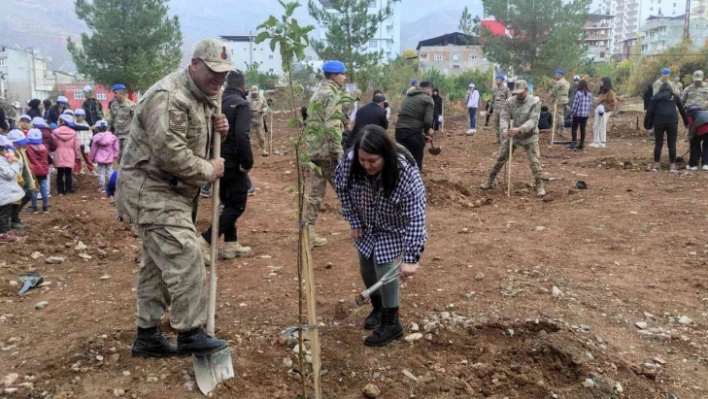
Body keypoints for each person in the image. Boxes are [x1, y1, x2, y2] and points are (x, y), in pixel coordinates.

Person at [116, 38, 233, 358]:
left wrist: (216, 128)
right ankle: (190, 331)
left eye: (224, 74)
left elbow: (193, 137)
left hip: (176, 193)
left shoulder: (206, 96)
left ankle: (147, 336)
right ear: (194, 64)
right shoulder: (168, 98)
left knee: (156, 265)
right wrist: (210, 168)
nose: (220, 80)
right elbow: (171, 155)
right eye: (214, 72)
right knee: (186, 253)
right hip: (152, 190)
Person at [335, 125, 427, 347]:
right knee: (367, 266)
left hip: (394, 225)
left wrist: (411, 258)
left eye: (372, 161)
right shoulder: (351, 162)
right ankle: (378, 307)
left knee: (383, 264)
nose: (366, 165)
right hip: (367, 221)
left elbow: (416, 216)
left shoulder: (405, 172)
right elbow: (341, 189)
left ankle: (391, 322)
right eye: (362, 160)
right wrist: (354, 220)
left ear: (385, 155)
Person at [198, 69, 254, 263]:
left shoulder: (216, 102)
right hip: (233, 163)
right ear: (243, 86)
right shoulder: (242, 105)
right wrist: (247, 163)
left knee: (227, 203)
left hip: (215, 159)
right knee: (237, 205)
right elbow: (242, 135)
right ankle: (204, 241)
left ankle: (231, 243)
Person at [304, 60, 349, 248]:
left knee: (315, 193)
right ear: (334, 76)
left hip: (315, 151)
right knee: (346, 190)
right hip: (328, 153)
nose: (344, 77)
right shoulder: (332, 95)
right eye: (342, 74)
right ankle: (366, 227)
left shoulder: (317, 93)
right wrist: (339, 156)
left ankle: (307, 231)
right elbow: (332, 127)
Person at [479, 80, 545, 197]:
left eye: (521, 92)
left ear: (526, 90)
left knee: (534, 161)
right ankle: (490, 179)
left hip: (529, 136)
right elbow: (504, 117)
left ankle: (539, 184)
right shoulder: (510, 102)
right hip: (512, 135)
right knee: (501, 157)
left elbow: (533, 121)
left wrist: (520, 129)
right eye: (516, 92)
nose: (518, 95)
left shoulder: (534, 102)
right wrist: (504, 130)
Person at [644, 82, 688, 173]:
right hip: (672, 121)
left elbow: (649, 111)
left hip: (659, 121)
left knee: (658, 143)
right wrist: (686, 122)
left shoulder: (656, 97)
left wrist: (647, 125)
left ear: (660, 89)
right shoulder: (672, 96)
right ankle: (672, 167)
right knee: (672, 144)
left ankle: (656, 166)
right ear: (670, 89)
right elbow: (681, 109)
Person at [396, 81, 434, 171]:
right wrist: (427, 131)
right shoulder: (428, 99)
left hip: (399, 131)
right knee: (416, 163)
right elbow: (428, 121)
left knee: (402, 161)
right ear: (429, 89)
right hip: (413, 133)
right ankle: (415, 183)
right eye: (431, 91)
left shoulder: (407, 97)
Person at [7, 130, 36, 230]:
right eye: (19, 143)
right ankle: (13, 220)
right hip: (15, 181)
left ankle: (13, 218)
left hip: (24, 179)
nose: (22, 145)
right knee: (15, 201)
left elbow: (25, 166)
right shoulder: (9, 153)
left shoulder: (21, 150)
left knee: (27, 195)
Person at [0, 135, 26, 243]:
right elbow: (9, 174)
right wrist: (15, 163)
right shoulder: (1, 161)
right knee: (3, 213)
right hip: (3, 193)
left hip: (5, 193)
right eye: (7, 149)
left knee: (6, 212)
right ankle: (2, 233)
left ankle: (6, 230)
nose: (8, 152)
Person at [51, 114, 81, 195]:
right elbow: (77, 147)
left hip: (58, 153)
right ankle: (68, 190)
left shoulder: (55, 132)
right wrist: (77, 156)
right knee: (68, 173)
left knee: (60, 173)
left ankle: (60, 191)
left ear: (61, 122)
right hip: (70, 154)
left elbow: (53, 144)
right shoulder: (73, 133)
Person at [107, 83, 136, 160]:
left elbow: (137, 121)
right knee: (119, 158)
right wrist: (108, 132)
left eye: (115, 93)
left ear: (122, 93)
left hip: (127, 136)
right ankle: (122, 171)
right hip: (116, 136)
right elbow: (111, 120)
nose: (114, 95)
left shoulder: (131, 106)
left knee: (126, 158)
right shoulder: (113, 105)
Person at [90, 120, 119, 193]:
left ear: (97, 129)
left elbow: (93, 149)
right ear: (107, 128)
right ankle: (111, 186)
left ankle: (102, 187)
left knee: (101, 173)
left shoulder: (96, 138)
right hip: (109, 157)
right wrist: (115, 155)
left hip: (100, 159)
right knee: (110, 171)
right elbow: (116, 147)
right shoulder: (112, 137)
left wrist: (92, 158)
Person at [25, 128, 50, 214]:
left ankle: (34, 207)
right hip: (43, 172)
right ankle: (45, 207)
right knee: (44, 189)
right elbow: (49, 160)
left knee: (35, 190)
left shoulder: (28, 149)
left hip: (34, 172)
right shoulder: (44, 148)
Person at [590, 77, 617, 149]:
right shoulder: (602, 91)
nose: (600, 83)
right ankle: (596, 141)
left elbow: (613, 103)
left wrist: (605, 108)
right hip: (599, 109)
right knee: (596, 125)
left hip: (605, 111)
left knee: (602, 126)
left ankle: (602, 142)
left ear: (605, 83)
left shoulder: (610, 92)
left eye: (601, 81)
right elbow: (600, 100)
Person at [567, 79, 592, 150]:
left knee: (574, 128)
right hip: (585, 115)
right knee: (582, 129)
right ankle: (581, 143)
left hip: (577, 114)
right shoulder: (589, 93)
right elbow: (590, 105)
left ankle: (574, 143)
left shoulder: (578, 93)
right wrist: (588, 112)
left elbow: (575, 104)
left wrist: (572, 113)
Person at [248, 85, 269, 157]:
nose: (254, 94)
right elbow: (243, 107)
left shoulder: (262, 98)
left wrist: (262, 110)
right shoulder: (247, 98)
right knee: (247, 135)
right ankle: (247, 151)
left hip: (259, 119)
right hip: (249, 120)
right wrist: (249, 111)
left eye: (255, 93)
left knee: (261, 135)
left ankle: (263, 149)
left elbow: (266, 107)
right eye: (253, 93)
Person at [686, 105, 708, 170]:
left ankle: (693, 165)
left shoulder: (690, 114)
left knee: (694, 145)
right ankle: (706, 164)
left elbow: (691, 127)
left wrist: (690, 138)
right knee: (707, 146)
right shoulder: (705, 112)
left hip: (702, 128)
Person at [549, 69, 570, 134]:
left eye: (556, 75)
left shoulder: (560, 82)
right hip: (566, 99)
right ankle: (559, 128)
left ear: (560, 75)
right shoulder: (567, 82)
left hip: (560, 100)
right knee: (562, 114)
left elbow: (554, 90)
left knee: (559, 114)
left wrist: (550, 94)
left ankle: (561, 128)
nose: (555, 76)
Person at [74, 109, 95, 174]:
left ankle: (91, 169)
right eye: (76, 115)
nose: (77, 117)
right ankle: (77, 170)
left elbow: (90, 133)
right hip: (77, 144)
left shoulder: (86, 124)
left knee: (87, 157)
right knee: (77, 158)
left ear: (83, 116)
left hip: (85, 144)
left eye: (79, 115)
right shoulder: (74, 124)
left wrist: (89, 138)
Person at [491, 75, 511, 142]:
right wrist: (489, 110)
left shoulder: (506, 89)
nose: (496, 81)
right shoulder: (494, 90)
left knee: (503, 125)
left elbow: (509, 100)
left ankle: (503, 139)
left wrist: (508, 110)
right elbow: (492, 100)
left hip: (503, 110)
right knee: (496, 124)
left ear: (502, 80)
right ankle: (498, 139)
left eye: (498, 79)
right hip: (496, 109)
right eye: (496, 79)